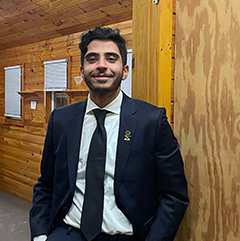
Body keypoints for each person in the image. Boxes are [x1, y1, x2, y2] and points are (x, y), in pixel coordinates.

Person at [29, 27, 189, 241]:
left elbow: (175, 195)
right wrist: (40, 234)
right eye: (92, 59)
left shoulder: (151, 121)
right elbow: (45, 184)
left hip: (125, 235)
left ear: (124, 70)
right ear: (82, 70)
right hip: (68, 231)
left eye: (111, 58)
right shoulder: (61, 120)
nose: (101, 65)